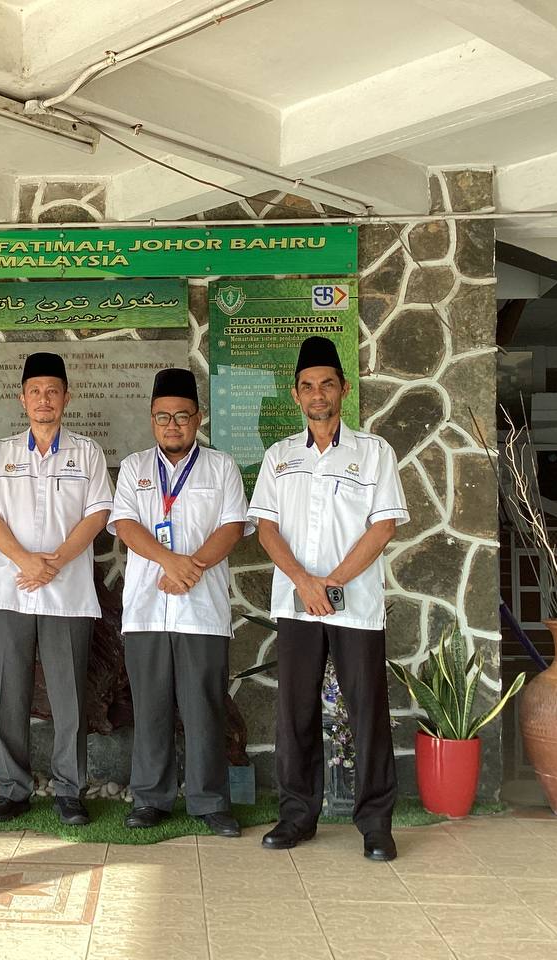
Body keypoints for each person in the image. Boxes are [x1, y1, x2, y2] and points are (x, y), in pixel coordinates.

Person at [248, 336, 408, 861]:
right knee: (294, 710)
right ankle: (297, 815)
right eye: (308, 386)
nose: (318, 394)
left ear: (344, 390)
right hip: (296, 602)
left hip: (354, 605)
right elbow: (266, 528)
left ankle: (376, 823)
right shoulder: (279, 457)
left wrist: (330, 584)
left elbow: (383, 527)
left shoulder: (374, 453)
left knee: (367, 711)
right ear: (296, 394)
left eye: (327, 384)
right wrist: (305, 581)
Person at [0, 351, 113, 826]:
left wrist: (56, 562)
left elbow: (98, 514)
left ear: (67, 397)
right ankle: (12, 789)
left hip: (67, 592)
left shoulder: (87, 453)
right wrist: (27, 560)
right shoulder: (1, 453)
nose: (44, 399)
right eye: (35, 391)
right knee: (9, 690)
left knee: (69, 695)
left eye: (52, 391)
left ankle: (70, 790)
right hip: (12, 588)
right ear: (22, 398)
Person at [108, 368, 252, 838]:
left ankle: (210, 801)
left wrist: (192, 567)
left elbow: (232, 527)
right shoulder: (134, 468)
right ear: (152, 419)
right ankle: (151, 799)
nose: (173, 425)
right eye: (163, 417)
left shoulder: (221, 466)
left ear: (198, 417)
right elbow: (126, 525)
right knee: (150, 707)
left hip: (202, 608)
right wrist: (170, 562)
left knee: (204, 708)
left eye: (182, 416)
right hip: (147, 607)